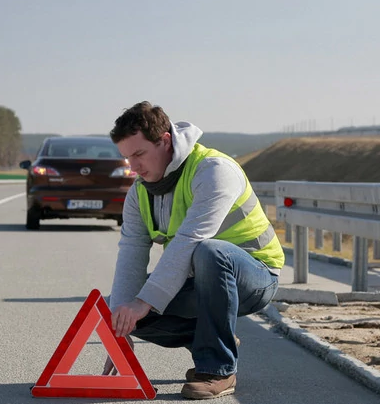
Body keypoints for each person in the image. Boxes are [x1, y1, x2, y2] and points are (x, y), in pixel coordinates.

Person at [102, 101, 285, 400]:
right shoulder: (139, 193)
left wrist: (143, 302)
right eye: (126, 158)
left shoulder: (213, 170)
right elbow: (131, 254)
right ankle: (215, 338)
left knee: (209, 252)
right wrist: (119, 331)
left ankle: (218, 369)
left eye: (138, 154)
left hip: (255, 276)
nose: (132, 167)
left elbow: (190, 240)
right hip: (200, 281)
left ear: (164, 140)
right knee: (118, 309)